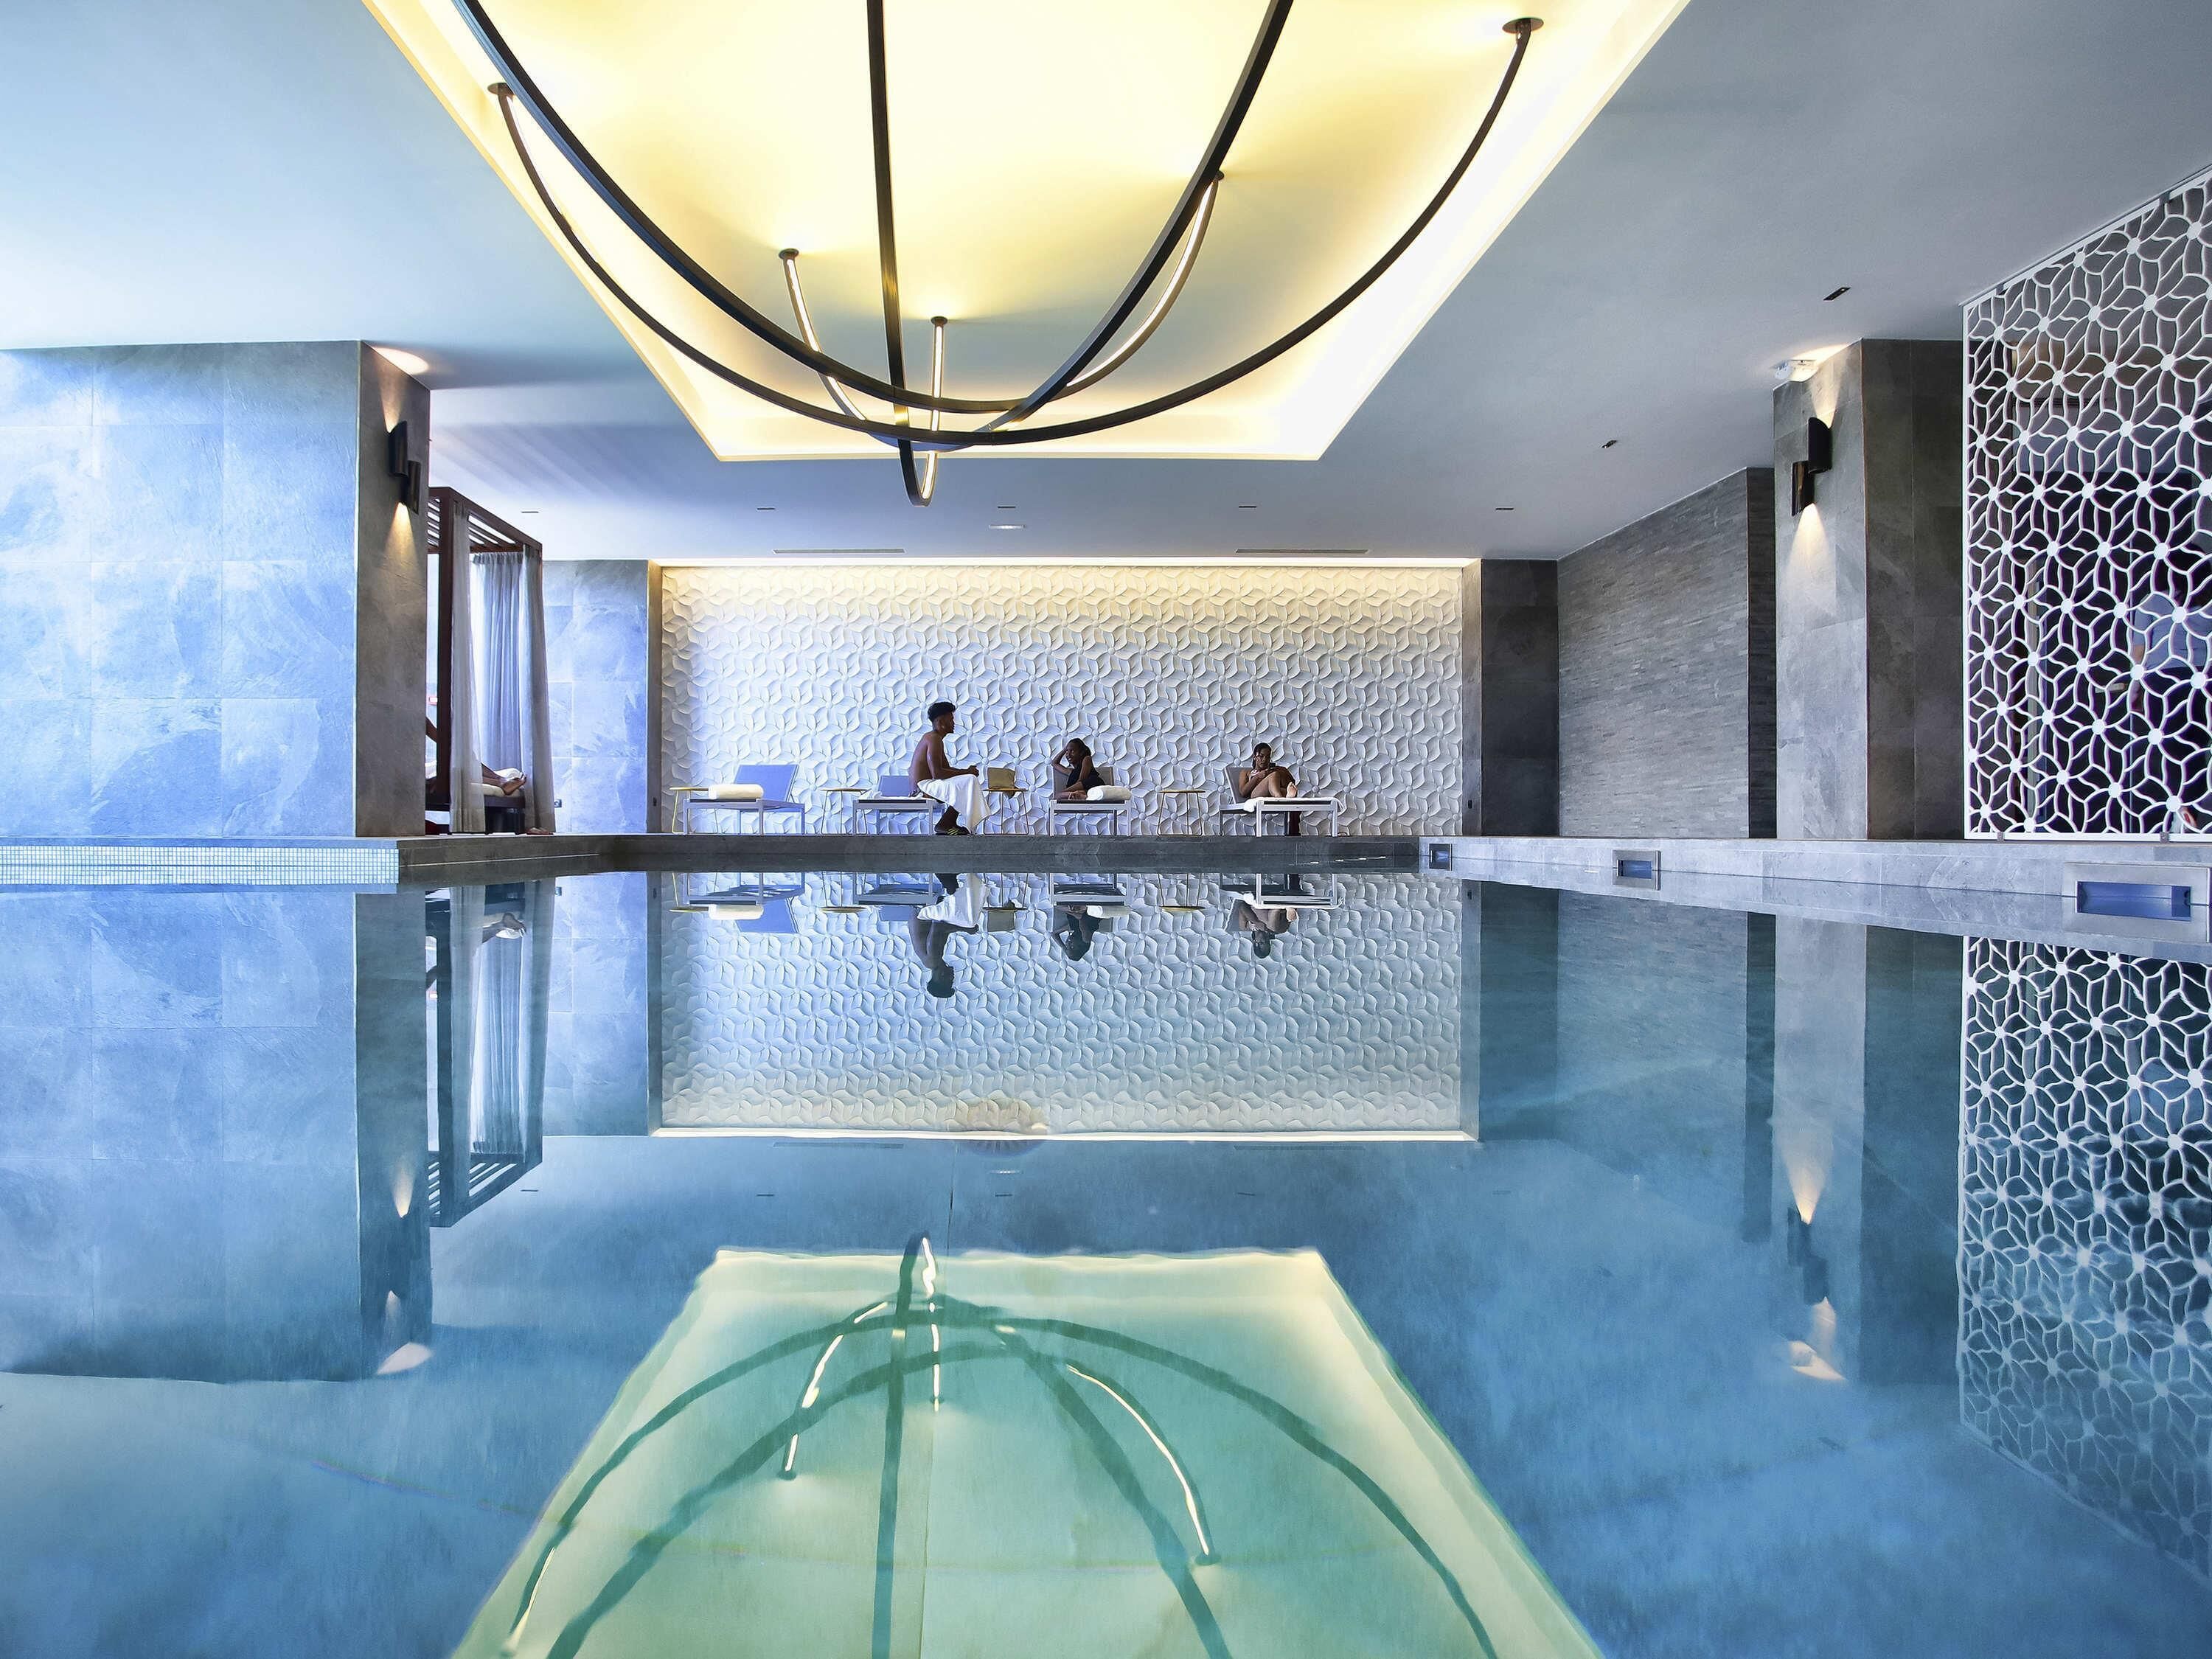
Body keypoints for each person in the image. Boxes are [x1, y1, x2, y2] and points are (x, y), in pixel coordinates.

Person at [911, 700, 995, 835]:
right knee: (969, 781)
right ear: (941, 722)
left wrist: (967, 772)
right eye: (951, 720)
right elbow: (938, 774)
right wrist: (967, 772)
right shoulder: (933, 739)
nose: (953, 724)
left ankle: (947, 822)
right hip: (922, 787)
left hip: (928, 784)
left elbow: (946, 770)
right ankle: (945, 824)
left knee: (968, 779)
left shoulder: (935, 739)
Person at [1234, 741, 1301, 835]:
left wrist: (1282, 772)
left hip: (1272, 793)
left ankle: (1293, 830)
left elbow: (1291, 783)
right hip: (1256, 795)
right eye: (1261, 756)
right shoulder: (1246, 772)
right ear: (1255, 757)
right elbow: (1243, 792)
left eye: (1268, 757)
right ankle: (1282, 800)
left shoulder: (1273, 770)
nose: (1264, 760)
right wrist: (1258, 776)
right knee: (1274, 776)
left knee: (1290, 791)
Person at [1052, 737, 1104, 801]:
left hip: (1092, 784)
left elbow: (1081, 780)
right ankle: (1082, 795)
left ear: (1081, 752)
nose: (1068, 755)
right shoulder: (1071, 772)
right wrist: (1064, 749)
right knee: (1057, 797)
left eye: (1072, 751)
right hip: (1082, 790)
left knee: (1058, 796)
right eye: (1067, 752)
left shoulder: (1087, 759)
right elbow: (1054, 763)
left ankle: (1081, 794)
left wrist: (1066, 791)